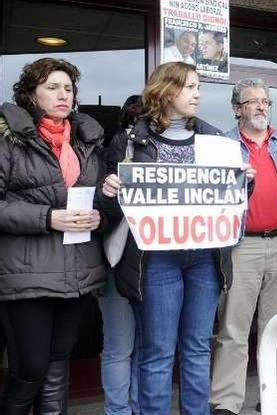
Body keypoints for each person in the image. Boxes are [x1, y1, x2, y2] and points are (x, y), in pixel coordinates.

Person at [101, 62, 254, 415]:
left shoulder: (216, 139)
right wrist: (108, 192)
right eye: (189, 87)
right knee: (158, 351)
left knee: (198, 347)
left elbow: (232, 202)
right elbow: (106, 209)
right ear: (165, 91)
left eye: (198, 87)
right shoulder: (128, 142)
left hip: (205, 257)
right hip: (155, 260)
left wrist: (245, 181)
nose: (198, 94)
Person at [0, 58, 107, 415]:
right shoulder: (8, 139)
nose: (63, 94)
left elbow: (102, 200)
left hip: (77, 272)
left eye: (68, 88)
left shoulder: (87, 140)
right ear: (30, 94)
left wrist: (101, 212)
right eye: (52, 87)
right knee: (30, 369)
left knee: (59, 366)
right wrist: (47, 218)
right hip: (26, 273)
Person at [211, 79, 277, 415]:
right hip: (241, 246)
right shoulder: (222, 146)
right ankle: (226, 402)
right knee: (233, 327)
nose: (260, 106)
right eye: (252, 101)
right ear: (237, 108)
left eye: (265, 101)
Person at [99, 95, 142, 415]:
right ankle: (118, 411)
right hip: (121, 257)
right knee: (120, 347)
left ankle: (138, 409)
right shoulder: (118, 147)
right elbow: (105, 209)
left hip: (156, 264)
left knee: (144, 348)